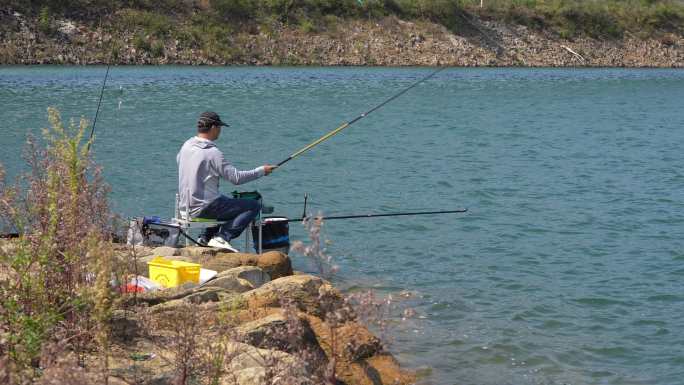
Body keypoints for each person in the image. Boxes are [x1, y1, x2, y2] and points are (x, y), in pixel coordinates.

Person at [177, 111, 275, 251]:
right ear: (213, 128)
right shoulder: (212, 153)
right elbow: (236, 178)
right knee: (253, 205)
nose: (220, 131)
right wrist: (261, 171)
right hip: (203, 208)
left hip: (185, 207)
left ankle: (205, 238)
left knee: (223, 200)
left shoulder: (186, 146)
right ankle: (223, 237)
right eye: (219, 127)